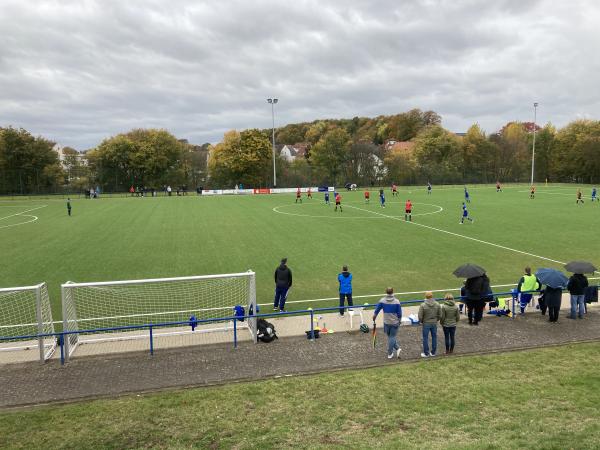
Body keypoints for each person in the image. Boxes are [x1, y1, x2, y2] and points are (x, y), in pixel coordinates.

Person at [372, 287, 402, 359]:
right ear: (393, 292)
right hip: (395, 322)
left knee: (390, 337)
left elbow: (377, 309)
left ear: (386, 292)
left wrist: (374, 316)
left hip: (386, 322)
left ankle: (392, 352)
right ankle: (393, 351)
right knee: (391, 337)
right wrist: (399, 320)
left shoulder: (382, 301)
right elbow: (399, 313)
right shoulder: (397, 301)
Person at [418, 291, 441, 357]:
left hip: (426, 323)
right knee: (434, 337)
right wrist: (436, 320)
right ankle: (433, 352)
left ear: (426, 296)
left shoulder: (423, 305)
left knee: (425, 338)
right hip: (434, 322)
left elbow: (420, 316)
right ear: (432, 296)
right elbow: (440, 314)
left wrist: (421, 321)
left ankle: (426, 353)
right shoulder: (437, 304)